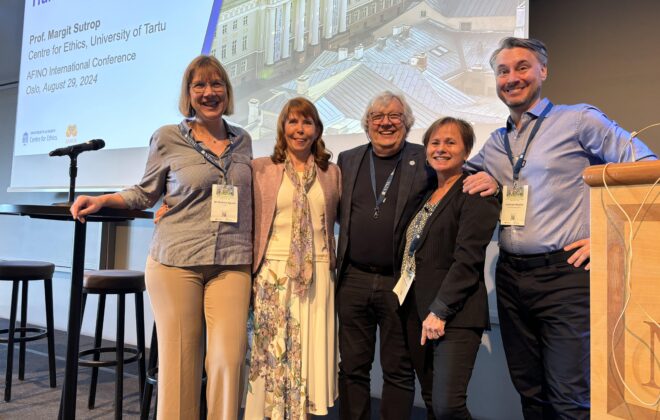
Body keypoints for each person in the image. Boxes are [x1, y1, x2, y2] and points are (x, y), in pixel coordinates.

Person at [464, 37, 657, 419]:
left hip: (565, 277)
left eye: (522, 67)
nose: (511, 78)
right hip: (511, 276)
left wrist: (608, 240)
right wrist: (484, 177)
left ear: (543, 71)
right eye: (503, 71)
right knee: (530, 391)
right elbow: (462, 179)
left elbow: (646, 168)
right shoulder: (496, 142)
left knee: (570, 396)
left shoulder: (578, 119)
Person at [70, 55, 253, 420]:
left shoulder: (244, 141)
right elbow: (144, 193)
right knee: (181, 365)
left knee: (228, 361)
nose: (209, 92)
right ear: (188, 94)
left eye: (216, 84)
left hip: (231, 262)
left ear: (227, 91)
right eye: (199, 85)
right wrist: (103, 199)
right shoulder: (168, 137)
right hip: (175, 262)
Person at [336, 91, 436, 419]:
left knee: (398, 370)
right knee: (352, 369)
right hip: (353, 279)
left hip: (400, 281)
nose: (386, 122)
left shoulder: (424, 159)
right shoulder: (348, 159)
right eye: (378, 116)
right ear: (366, 125)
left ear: (407, 124)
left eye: (394, 116)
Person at [395, 117, 500, 419]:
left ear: (467, 151)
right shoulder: (427, 194)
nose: (441, 148)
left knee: (447, 406)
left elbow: (467, 260)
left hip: (453, 315)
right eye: (435, 142)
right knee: (431, 401)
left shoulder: (474, 193)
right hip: (417, 311)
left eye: (451, 142)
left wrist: (440, 310)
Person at [245, 97, 341, 419]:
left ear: (317, 129)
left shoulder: (332, 173)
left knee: (309, 355)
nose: (299, 130)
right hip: (273, 274)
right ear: (282, 127)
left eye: (307, 122)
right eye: (293, 122)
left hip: (318, 273)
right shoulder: (261, 168)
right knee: (272, 353)